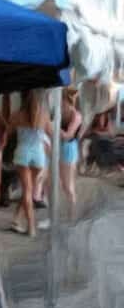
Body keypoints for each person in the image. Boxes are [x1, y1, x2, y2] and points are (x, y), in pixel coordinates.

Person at [10, 90, 51, 237]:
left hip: (22, 152)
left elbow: (8, 133)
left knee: (26, 191)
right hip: (38, 154)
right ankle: (17, 218)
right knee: (31, 189)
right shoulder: (44, 115)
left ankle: (31, 227)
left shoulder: (16, 115)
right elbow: (51, 134)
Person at [59, 88, 82, 218]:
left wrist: (52, 126)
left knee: (68, 185)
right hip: (61, 148)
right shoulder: (61, 112)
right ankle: (70, 212)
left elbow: (68, 135)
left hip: (68, 149)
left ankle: (72, 214)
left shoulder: (76, 115)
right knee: (63, 184)